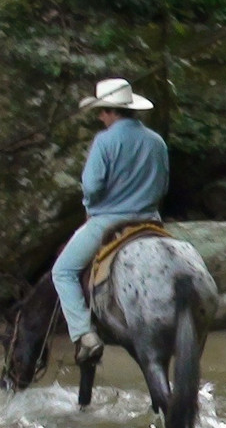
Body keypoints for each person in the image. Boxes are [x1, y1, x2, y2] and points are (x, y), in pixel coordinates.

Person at [53, 78, 169, 363]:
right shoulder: (156, 141)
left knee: (63, 271)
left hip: (108, 221)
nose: (99, 117)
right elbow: (164, 185)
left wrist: (91, 206)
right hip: (151, 223)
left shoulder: (104, 141)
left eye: (101, 111)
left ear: (109, 111)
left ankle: (85, 334)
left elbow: (91, 186)